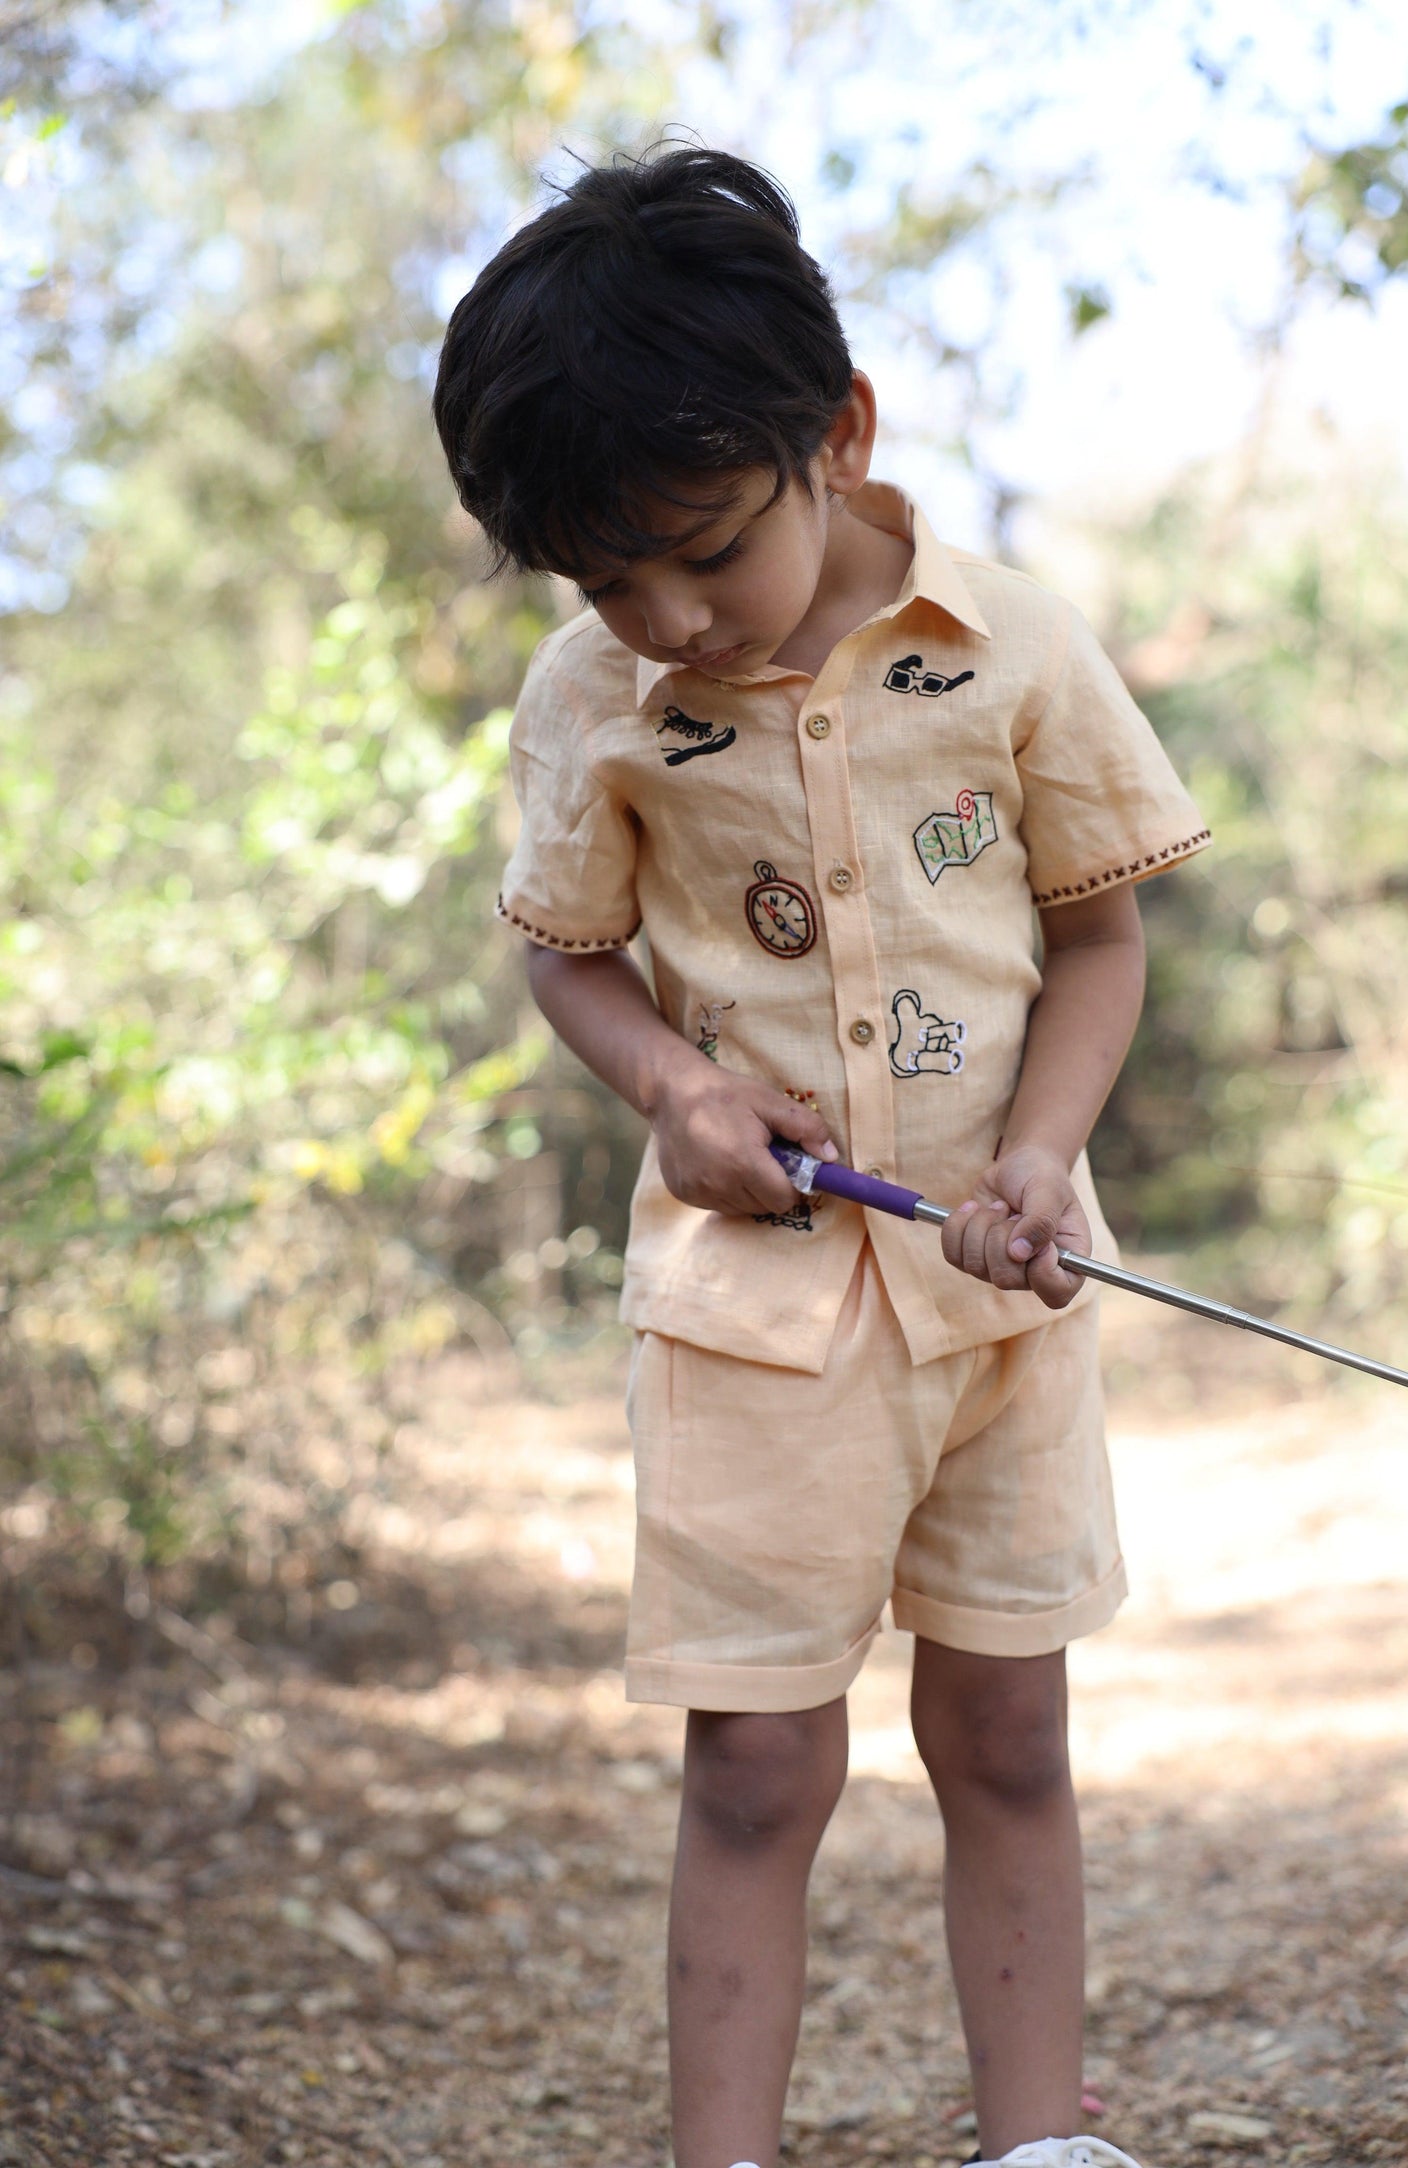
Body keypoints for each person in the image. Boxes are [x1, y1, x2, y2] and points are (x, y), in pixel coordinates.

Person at [433, 144, 1210, 2168]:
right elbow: (571, 958)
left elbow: (1098, 938)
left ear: (837, 434)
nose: (666, 619)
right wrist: (670, 1094)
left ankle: (1036, 2140)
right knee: (760, 1765)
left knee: (1008, 1728)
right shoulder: (596, 698)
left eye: (702, 553)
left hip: (1003, 1301)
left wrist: (1041, 1156)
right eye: (607, 583)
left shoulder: (1012, 643)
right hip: (752, 1328)